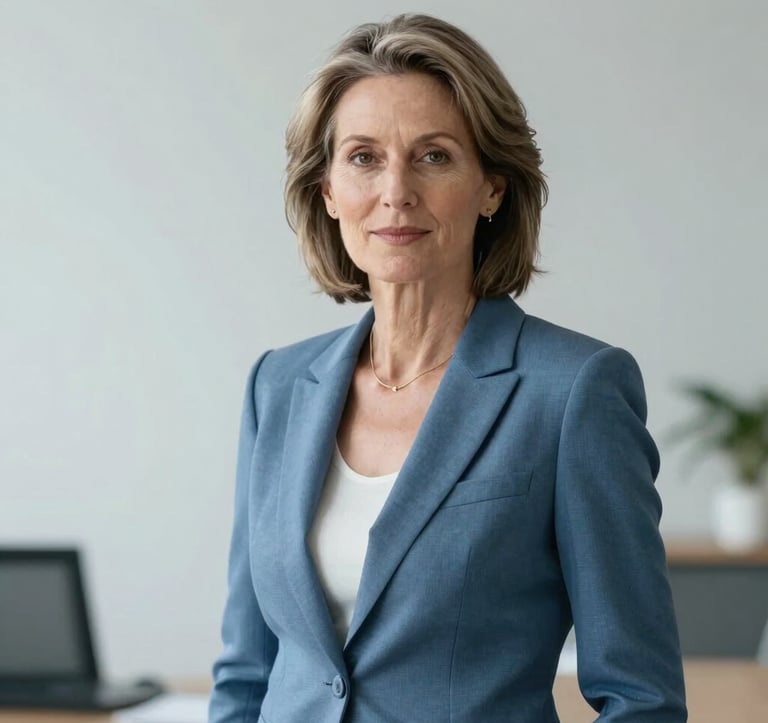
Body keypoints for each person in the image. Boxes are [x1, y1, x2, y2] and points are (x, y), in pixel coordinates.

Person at [209, 13, 686, 723]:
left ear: (491, 186)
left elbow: (642, 699)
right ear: (328, 190)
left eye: (433, 156)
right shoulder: (276, 387)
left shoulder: (573, 393)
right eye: (364, 157)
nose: (395, 190)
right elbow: (247, 673)